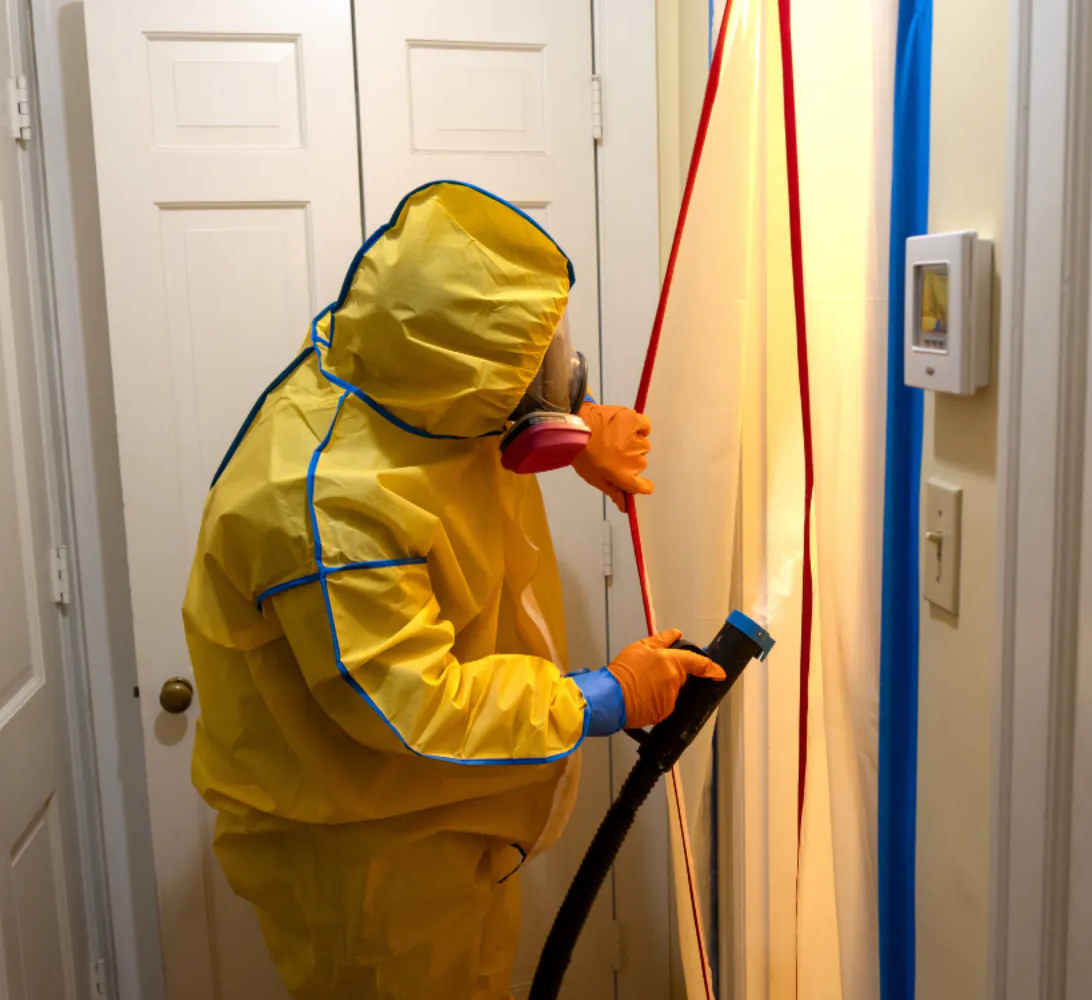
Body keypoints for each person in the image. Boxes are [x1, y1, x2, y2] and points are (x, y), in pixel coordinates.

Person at [182, 180, 722, 999]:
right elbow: (413, 704)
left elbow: (456, 426)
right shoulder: (323, 505)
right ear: (464, 376)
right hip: (366, 864)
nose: (561, 367)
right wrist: (604, 698)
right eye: (537, 363)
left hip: (445, 828)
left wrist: (565, 423)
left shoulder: (405, 386)